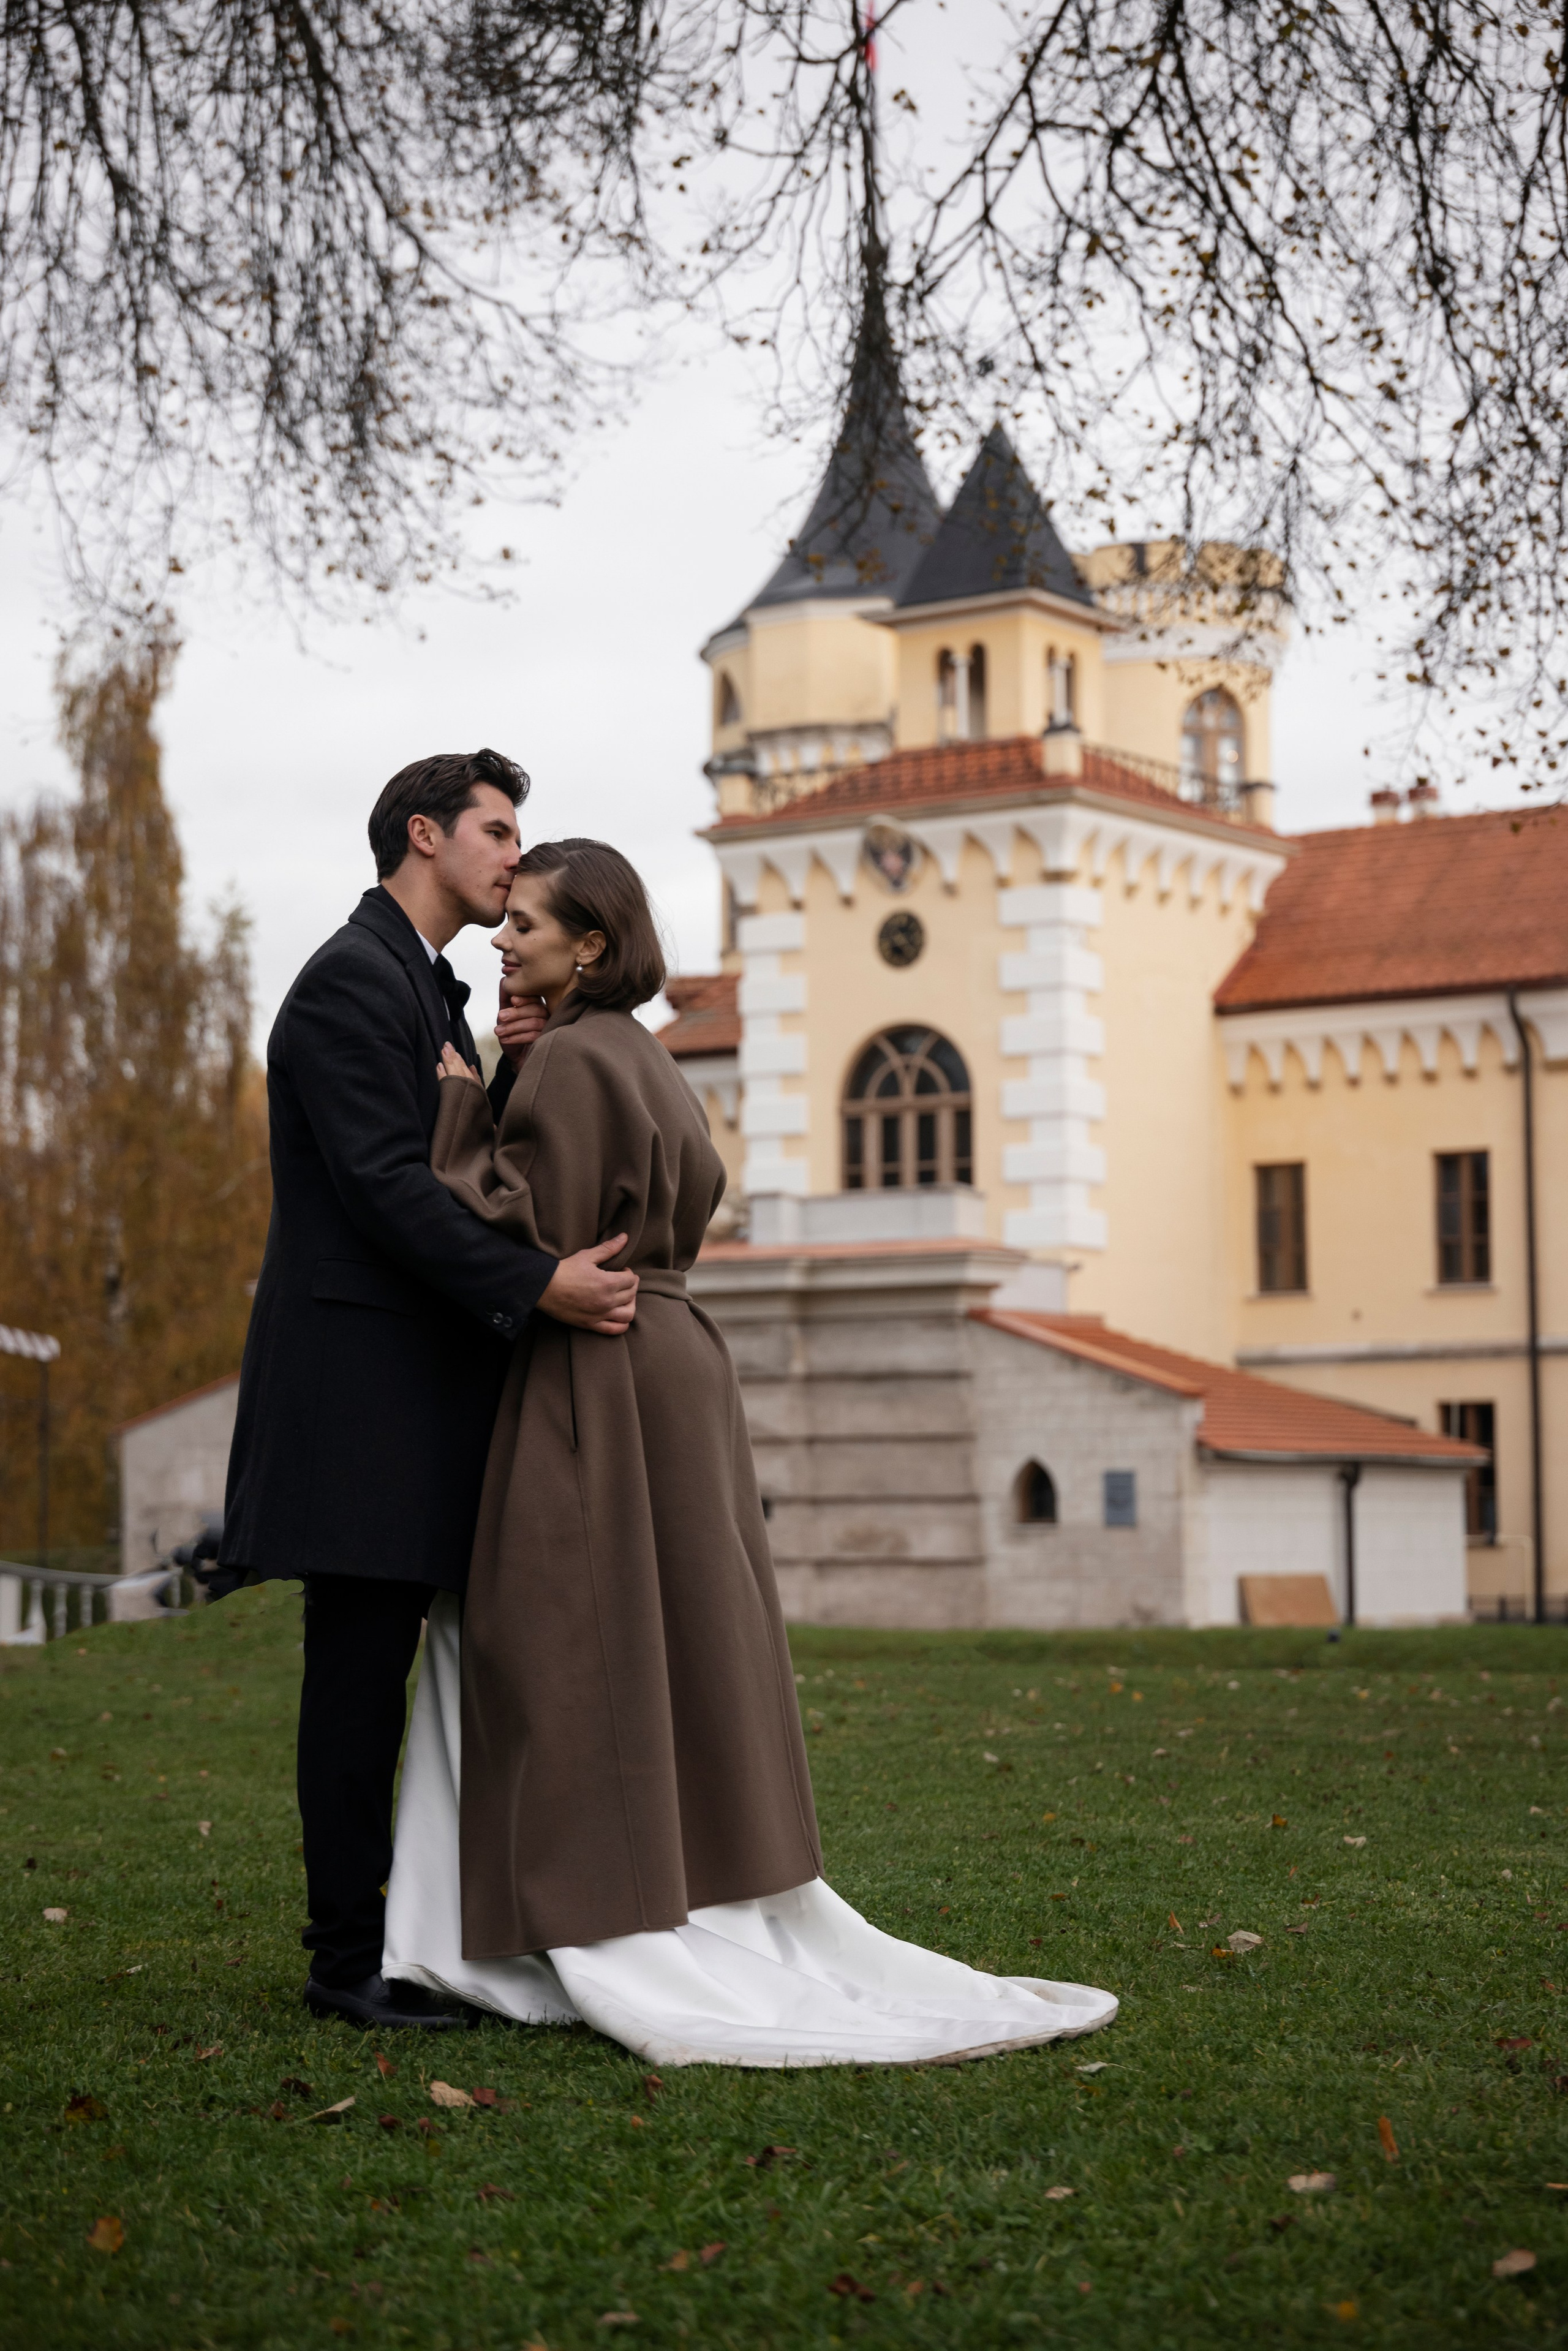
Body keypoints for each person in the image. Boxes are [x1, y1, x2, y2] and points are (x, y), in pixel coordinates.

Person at [383, 839, 1117, 2066]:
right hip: (675, 1356)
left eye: (527, 926)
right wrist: (521, 1065)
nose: (502, 941)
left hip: (597, 1364)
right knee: (679, 1632)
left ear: (591, 947)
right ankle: (705, 1877)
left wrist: (465, 1102)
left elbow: (530, 1230)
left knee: (563, 1632)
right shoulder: (639, 1054)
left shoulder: (568, 1060)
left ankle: (579, 1903)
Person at [217, 754, 639, 2034]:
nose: (515, 854)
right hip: (358, 1397)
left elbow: (455, 1163)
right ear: (423, 834)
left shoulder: (429, 987)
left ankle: (431, 1931)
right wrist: (539, 1284)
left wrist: (506, 1073)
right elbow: (388, 1188)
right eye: (496, 830)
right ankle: (346, 1960)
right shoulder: (352, 980)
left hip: (417, 1390)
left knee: (404, 1673)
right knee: (357, 1677)